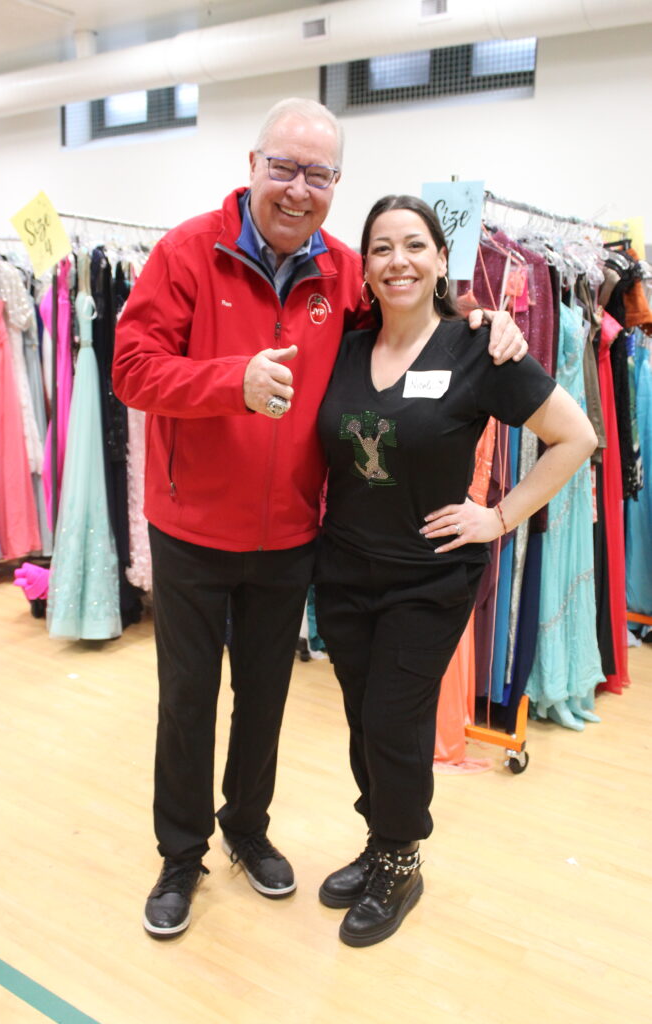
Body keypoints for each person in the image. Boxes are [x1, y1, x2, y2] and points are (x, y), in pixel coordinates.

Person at [112, 98, 527, 939]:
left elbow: (407, 325)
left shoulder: (343, 270)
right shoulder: (187, 252)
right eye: (284, 167)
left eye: (318, 173)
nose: (298, 188)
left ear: (336, 183)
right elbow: (131, 367)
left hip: (291, 534)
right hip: (192, 529)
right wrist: (228, 382)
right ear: (252, 165)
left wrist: (478, 320)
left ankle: (246, 829)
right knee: (188, 701)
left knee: (263, 696)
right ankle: (181, 854)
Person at [313, 194, 598, 948]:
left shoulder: (477, 348)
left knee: (392, 721)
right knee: (362, 719)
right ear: (365, 267)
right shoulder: (344, 348)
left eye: (414, 245)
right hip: (343, 570)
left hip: (427, 577)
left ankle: (402, 861)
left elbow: (576, 436)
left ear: (442, 259)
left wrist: (499, 517)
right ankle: (379, 841)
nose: (397, 261)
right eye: (381, 248)